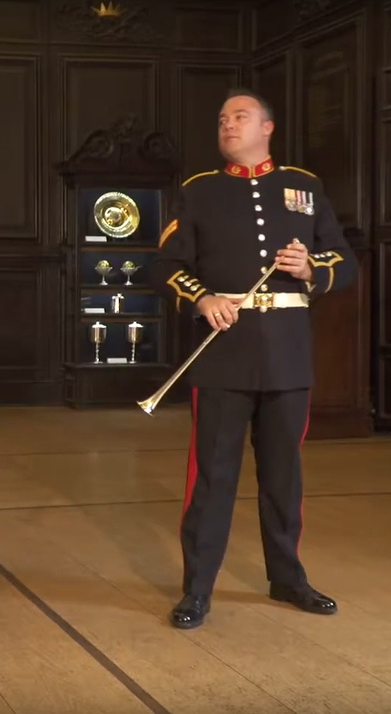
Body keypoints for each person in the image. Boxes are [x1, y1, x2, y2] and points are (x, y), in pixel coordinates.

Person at [151, 88, 358, 630]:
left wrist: (312, 268)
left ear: (268, 127)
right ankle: (197, 590)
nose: (227, 125)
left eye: (239, 117)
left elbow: (345, 262)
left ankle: (288, 579)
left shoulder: (305, 188)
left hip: (288, 354)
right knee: (212, 478)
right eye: (221, 118)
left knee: (283, 476)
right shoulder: (199, 191)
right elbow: (168, 263)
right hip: (223, 353)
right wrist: (202, 297)